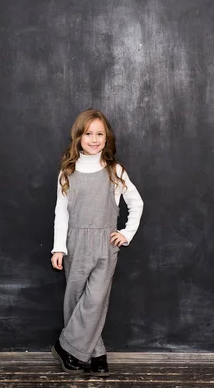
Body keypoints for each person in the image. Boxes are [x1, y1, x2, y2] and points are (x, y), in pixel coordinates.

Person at [50, 109, 143, 377]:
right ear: (78, 137)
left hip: (105, 243)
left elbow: (136, 203)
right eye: (88, 133)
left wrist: (126, 233)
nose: (94, 139)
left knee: (96, 300)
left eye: (99, 134)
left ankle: (65, 347)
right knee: (76, 299)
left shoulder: (115, 171)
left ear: (107, 137)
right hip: (76, 243)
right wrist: (59, 247)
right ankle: (95, 353)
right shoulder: (67, 172)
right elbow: (61, 213)